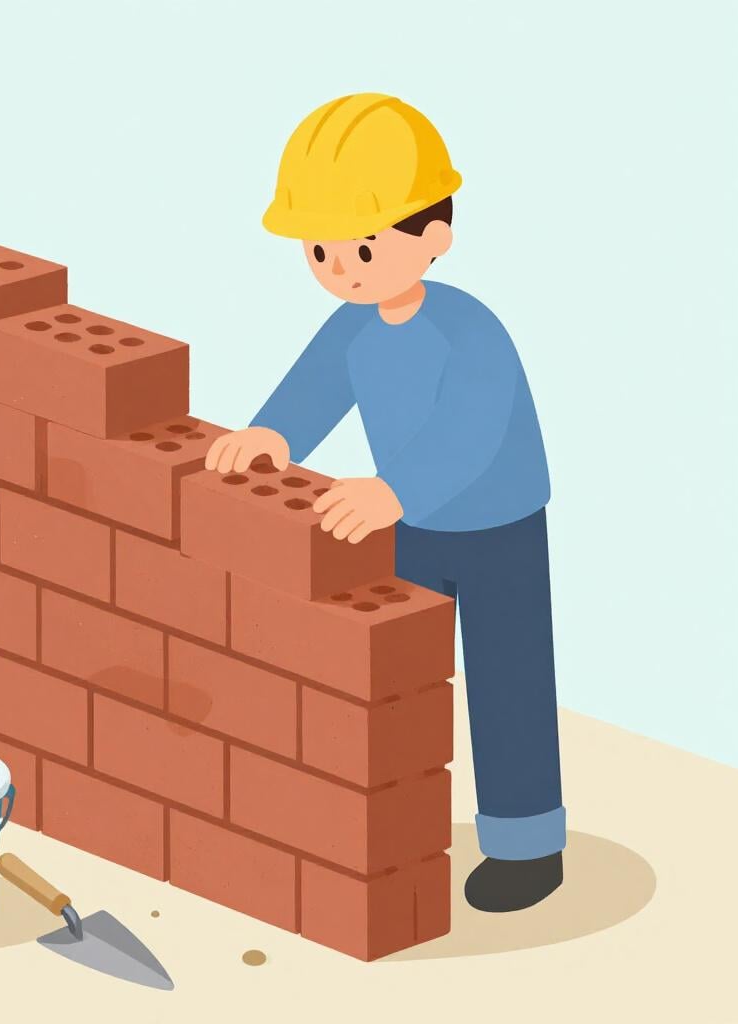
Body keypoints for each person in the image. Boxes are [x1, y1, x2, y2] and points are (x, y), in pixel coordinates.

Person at [205, 93, 565, 912]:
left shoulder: (473, 333)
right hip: (407, 523)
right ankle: (396, 823)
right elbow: (316, 388)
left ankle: (526, 839)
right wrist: (272, 436)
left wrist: (395, 490)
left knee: (507, 679)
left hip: (497, 527)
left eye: (362, 246)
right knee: (395, 671)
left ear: (434, 238)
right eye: (322, 251)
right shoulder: (354, 327)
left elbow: (469, 432)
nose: (342, 268)